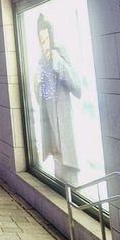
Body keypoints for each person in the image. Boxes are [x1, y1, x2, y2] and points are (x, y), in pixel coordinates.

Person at [34, 13, 81, 185]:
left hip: (65, 127)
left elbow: (77, 87)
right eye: (41, 38)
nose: (44, 42)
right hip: (52, 131)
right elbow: (44, 98)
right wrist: (36, 83)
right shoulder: (42, 61)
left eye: (47, 37)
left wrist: (56, 61)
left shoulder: (60, 54)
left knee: (71, 178)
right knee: (59, 174)